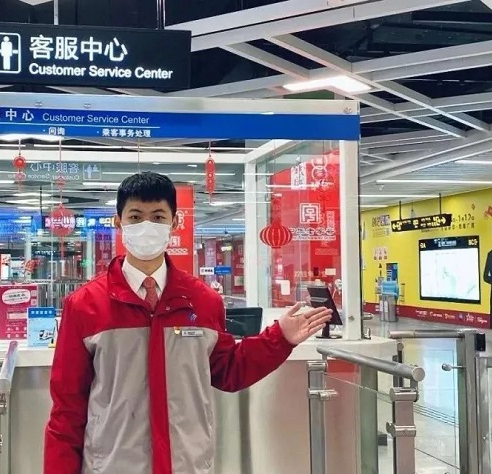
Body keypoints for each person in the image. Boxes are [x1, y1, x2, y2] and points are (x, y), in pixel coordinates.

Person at [44, 172, 333, 474]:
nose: (147, 226)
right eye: (135, 217)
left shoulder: (203, 301)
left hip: (188, 465)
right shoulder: (85, 306)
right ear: (118, 223)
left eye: (158, 216)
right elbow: (67, 409)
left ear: (175, 222)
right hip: (113, 466)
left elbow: (228, 371)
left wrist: (280, 338)